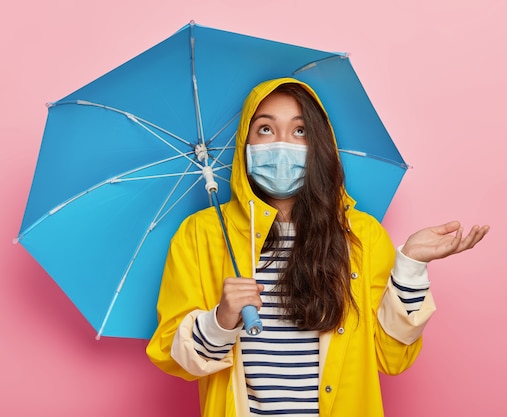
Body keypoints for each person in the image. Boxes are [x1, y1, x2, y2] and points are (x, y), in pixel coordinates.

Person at [146, 77, 489, 417]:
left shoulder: (361, 235)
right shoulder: (201, 234)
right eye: (265, 130)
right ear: (245, 144)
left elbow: (391, 357)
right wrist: (221, 320)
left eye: (300, 131)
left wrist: (411, 266)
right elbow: (171, 353)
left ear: (318, 145)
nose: (282, 145)